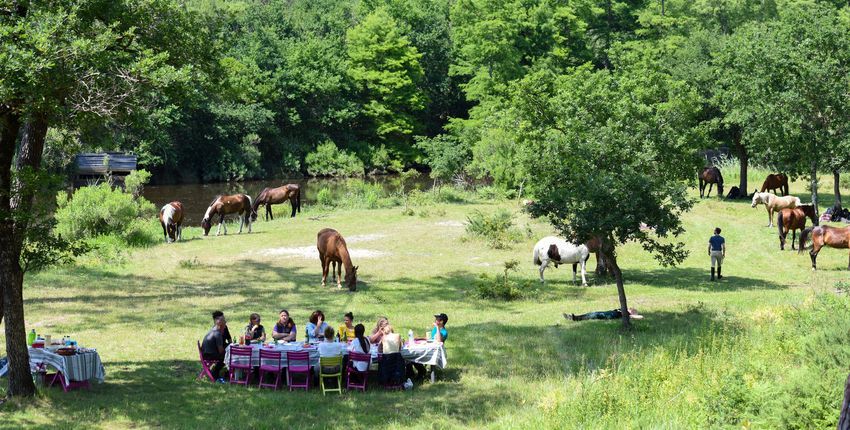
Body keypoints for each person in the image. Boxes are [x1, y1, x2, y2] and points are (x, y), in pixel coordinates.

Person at [409, 313, 449, 381]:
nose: (435, 320)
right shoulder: (434, 329)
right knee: (411, 354)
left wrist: (437, 328)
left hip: (434, 352)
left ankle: (421, 371)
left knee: (415, 355)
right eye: (436, 319)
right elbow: (429, 338)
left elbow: (439, 341)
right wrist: (419, 338)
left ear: (442, 322)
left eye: (437, 319)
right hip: (428, 348)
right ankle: (413, 373)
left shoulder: (444, 332)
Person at [202, 314, 228, 382]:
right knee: (227, 356)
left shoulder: (213, 330)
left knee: (227, 354)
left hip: (206, 353)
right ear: (220, 324)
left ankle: (217, 372)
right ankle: (215, 373)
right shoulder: (218, 334)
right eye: (224, 321)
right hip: (209, 355)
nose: (225, 324)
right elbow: (220, 351)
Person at [564, 307, 644, 321]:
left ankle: (575, 318)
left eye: (631, 310)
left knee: (593, 315)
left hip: (607, 316)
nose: (629, 309)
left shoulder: (627, 314)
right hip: (605, 313)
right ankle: (575, 317)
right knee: (591, 314)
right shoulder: (622, 310)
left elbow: (641, 317)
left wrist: (633, 314)